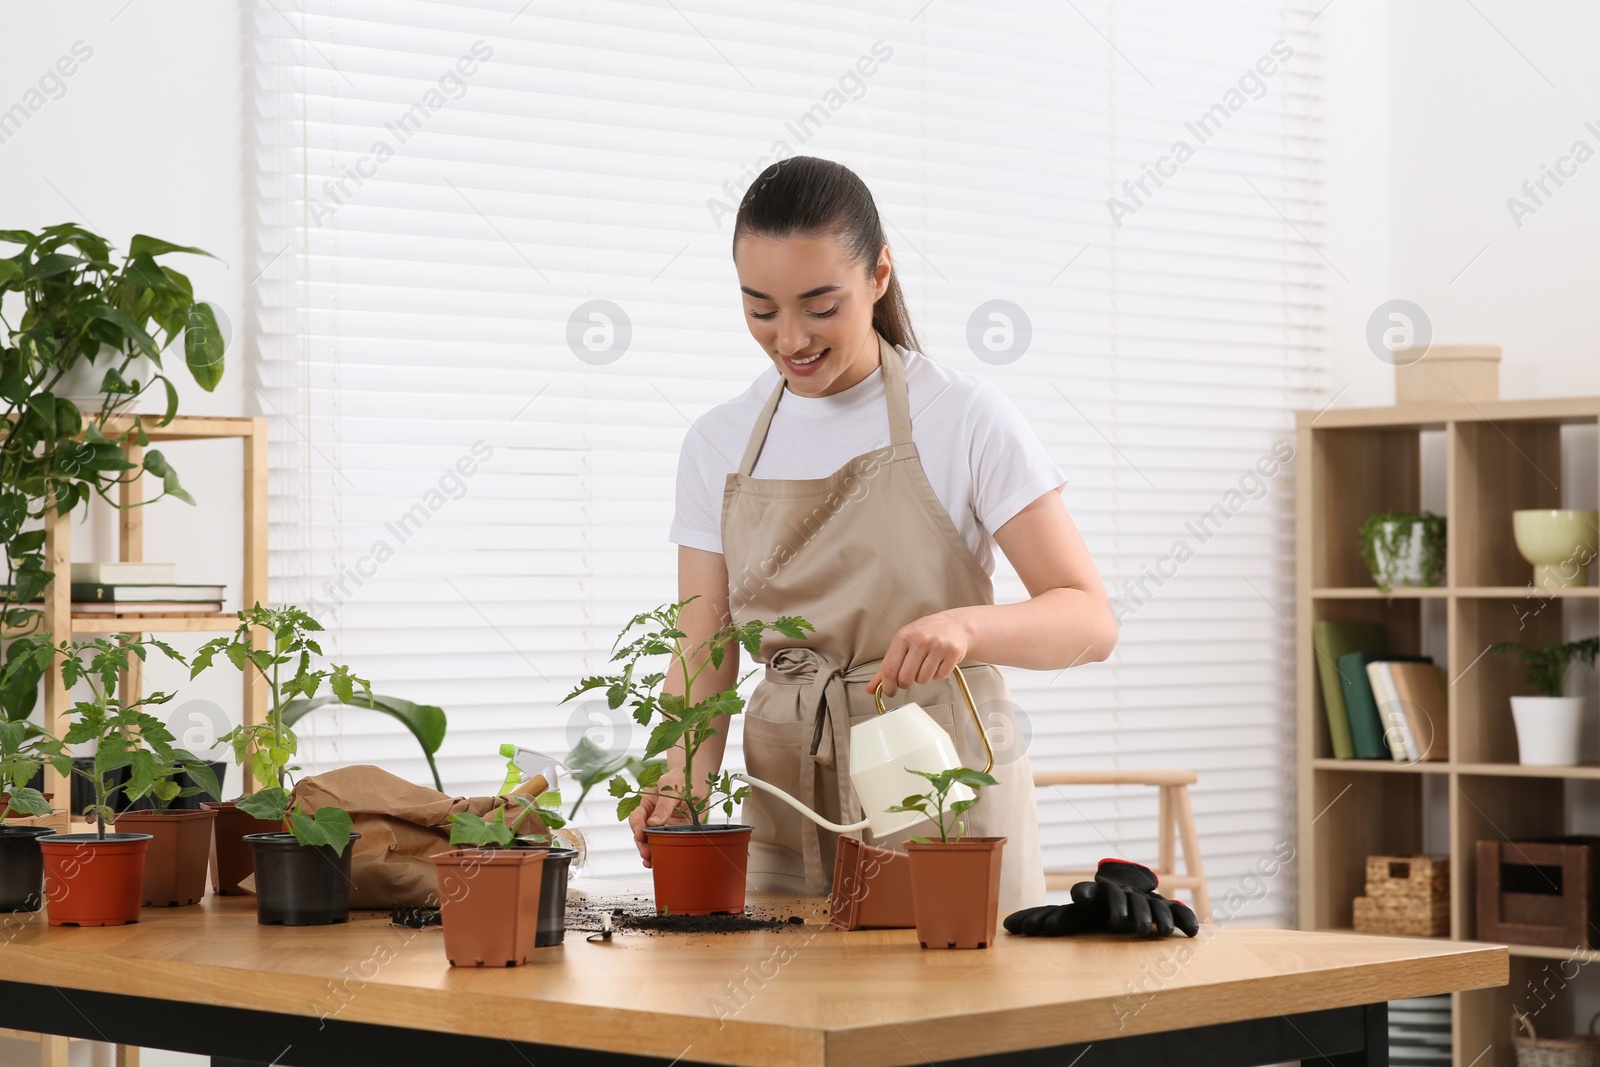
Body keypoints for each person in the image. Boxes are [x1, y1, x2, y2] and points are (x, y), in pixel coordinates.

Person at [631, 155, 1117, 912]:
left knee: (948, 1011)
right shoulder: (718, 441)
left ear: (880, 273)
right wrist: (676, 787)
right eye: (760, 309)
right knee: (790, 1013)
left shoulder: (962, 417)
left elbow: (1089, 620)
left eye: (820, 306)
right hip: (786, 794)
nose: (789, 338)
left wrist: (964, 626)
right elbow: (705, 645)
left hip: (936, 785)